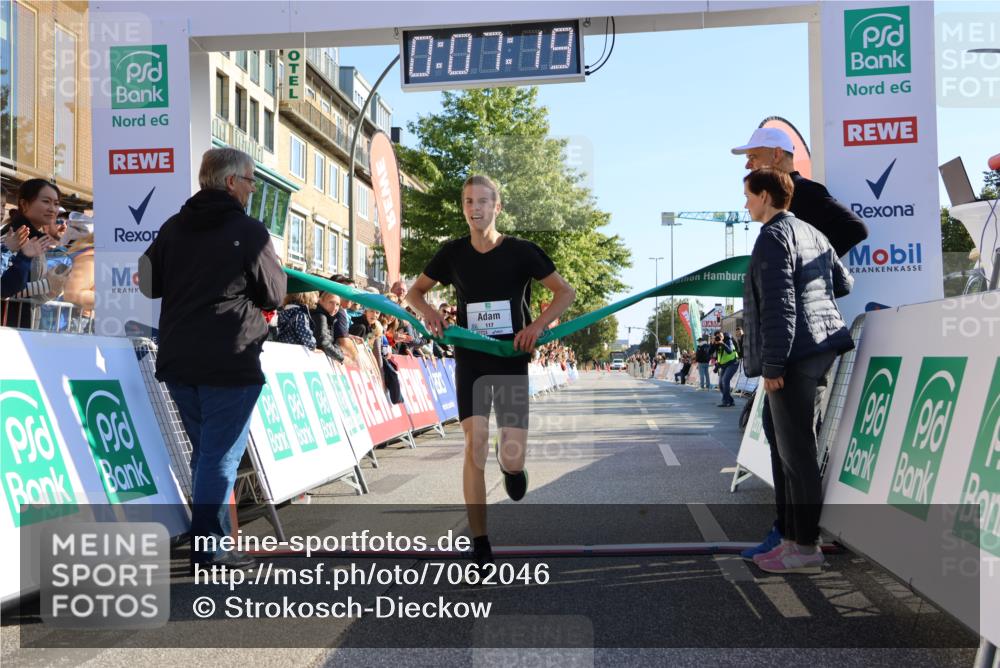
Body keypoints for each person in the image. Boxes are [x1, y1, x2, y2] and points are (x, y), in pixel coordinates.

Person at [405, 175, 575, 569]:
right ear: (463, 207)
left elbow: (565, 292)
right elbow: (414, 293)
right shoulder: (451, 254)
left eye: (483, 201)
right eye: (468, 202)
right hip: (472, 358)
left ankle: (512, 468)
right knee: (474, 443)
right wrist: (429, 314)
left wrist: (537, 327)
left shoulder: (521, 251)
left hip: (511, 358)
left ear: (497, 207)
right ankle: (480, 544)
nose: (475, 208)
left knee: (511, 457)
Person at [139, 147, 286, 572]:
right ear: (230, 182)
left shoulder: (172, 227)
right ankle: (210, 546)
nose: (253, 187)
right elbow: (274, 294)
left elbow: (148, 283)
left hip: (180, 357)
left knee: (206, 453)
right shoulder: (249, 230)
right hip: (230, 355)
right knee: (219, 457)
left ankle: (214, 540)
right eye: (251, 179)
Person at [731, 126, 868, 559]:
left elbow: (781, 308)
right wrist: (814, 275)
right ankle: (790, 533)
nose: (748, 165)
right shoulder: (798, 229)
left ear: (776, 156)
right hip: (817, 341)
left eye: (752, 157)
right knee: (784, 439)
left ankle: (800, 542)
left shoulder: (785, 224)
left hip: (797, 348)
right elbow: (841, 283)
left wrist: (801, 275)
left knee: (795, 447)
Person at [1, 180, 64, 327]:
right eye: (46, 201)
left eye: (56, 203)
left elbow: (33, 293)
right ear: (24, 204)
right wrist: (46, 285)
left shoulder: (37, 238)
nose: (52, 209)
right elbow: (6, 287)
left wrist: (53, 288)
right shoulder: (13, 237)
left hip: (26, 325)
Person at [713, 331, 739, 407]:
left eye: (720, 336)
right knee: (721, 384)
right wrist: (713, 344)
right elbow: (712, 353)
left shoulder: (728, 340)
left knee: (725, 380)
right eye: (717, 337)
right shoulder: (717, 344)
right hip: (724, 365)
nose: (719, 338)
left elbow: (730, 351)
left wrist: (722, 343)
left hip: (733, 363)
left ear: (723, 335)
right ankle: (730, 400)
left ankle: (726, 401)